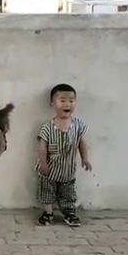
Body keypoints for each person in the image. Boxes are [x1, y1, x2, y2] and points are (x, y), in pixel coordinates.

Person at [35, 83, 92, 227]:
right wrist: (43, 163)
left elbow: (82, 143)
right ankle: (48, 213)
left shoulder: (78, 125)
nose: (68, 104)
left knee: (68, 193)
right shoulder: (47, 126)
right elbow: (42, 146)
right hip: (49, 169)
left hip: (67, 169)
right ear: (52, 103)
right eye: (62, 100)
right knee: (47, 192)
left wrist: (85, 159)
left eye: (71, 101)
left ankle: (69, 213)